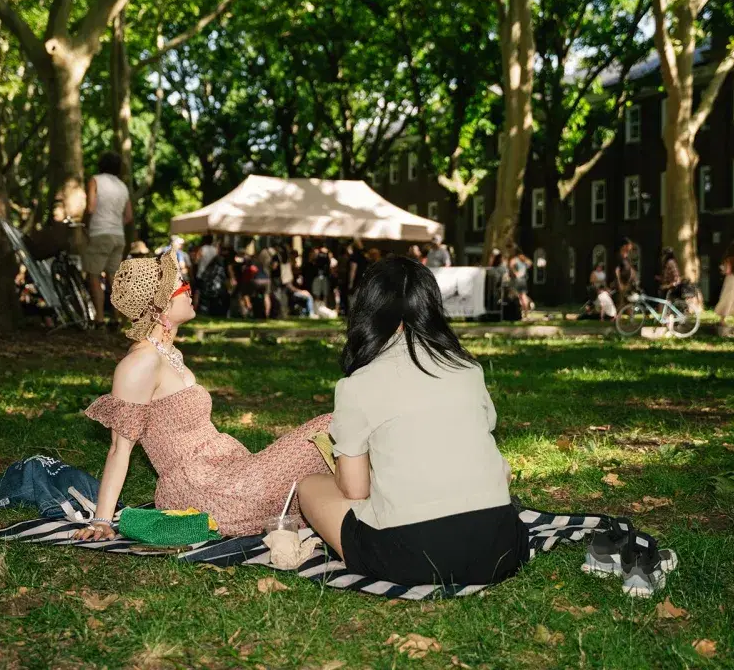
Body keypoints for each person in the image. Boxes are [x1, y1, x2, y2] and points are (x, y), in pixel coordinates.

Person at [297, 257, 528, 586]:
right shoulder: (468, 370)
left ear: (367, 311)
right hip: (500, 548)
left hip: (414, 557)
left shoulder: (358, 385)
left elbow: (355, 489)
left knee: (309, 487)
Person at [74, 252, 332, 540]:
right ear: (161, 307)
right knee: (329, 428)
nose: (190, 290)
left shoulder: (170, 354)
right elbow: (119, 449)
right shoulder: (140, 364)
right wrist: (101, 520)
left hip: (229, 472)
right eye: (182, 287)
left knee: (330, 447)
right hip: (205, 489)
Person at [83, 152, 133, 326]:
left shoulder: (95, 180)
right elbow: (128, 216)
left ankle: (99, 318)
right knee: (114, 277)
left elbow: (90, 208)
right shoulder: (123, 187)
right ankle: (117, 318)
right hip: (118, 235)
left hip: (100, 232)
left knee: (94, 275)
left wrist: (86, 225)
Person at [509, 249, 533, 315]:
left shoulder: (515, 259)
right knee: (523, 296)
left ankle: (520, 311)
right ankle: (526, 312)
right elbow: (530, 263)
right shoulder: (524, 259)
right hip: (523, 279)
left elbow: (511, 265)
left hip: (517, 279)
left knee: (517, 296)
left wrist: (515, 272)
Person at [613, 238, 635, 309]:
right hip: (621, 283)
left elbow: (630, 268)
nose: (631, 247)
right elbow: (617, 271)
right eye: (629, 245)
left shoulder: (627, 257)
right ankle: (616, 317)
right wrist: (619, 283)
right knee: (620, 300)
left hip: (628, 282)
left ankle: (630, 318)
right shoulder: (619, 256)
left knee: (629, 300)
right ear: (624, 246)